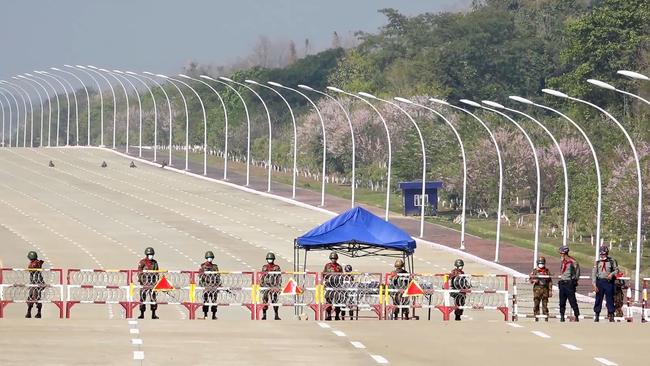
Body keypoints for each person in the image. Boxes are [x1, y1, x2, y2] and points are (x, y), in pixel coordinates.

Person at [591, 246, 618, 322]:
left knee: (610, 299)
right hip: (600, 282)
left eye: (604, 254)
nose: (603, 256)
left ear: (607, 253)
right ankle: (597, 315)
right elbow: (594, 274)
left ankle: (611, 314)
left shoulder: (612, 261)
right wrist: (594, 284)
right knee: (598, 299)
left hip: (608, 282)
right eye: (601, 254)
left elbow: (616, 270)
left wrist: (611, 274)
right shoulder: (597, 262)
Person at [558, 246, 580, 322]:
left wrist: (574, 281)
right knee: (562, 301)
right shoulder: (562, 261)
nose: (561, 254)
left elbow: (577, 272)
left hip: (569, 283)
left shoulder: (573, 261)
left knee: (572, 301)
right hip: (562, 283)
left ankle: (576, 315)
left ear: (565, 253)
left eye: (562, 253)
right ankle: (562, 316)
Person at [137, 247, 159, 319]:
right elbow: (139, 272)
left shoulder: (155, 263)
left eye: (152, 254)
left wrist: (157, 282)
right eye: (149, 254)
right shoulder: (142, 262)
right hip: (144, 283)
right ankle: (142, 314)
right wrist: (142, 281)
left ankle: (153, 314)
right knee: (142, 298)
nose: (151, 256)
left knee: (153, 298)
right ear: (146, 255)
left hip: (152, 283)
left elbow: (157, 273)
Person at [198, 251, 221, 320]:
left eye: (211, 257)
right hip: (207, 286)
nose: (210, 259)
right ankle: (205, 315)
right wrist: (203, 285)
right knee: (206, 301)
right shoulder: (203, 266)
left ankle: (214, 315)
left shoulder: (215, 266)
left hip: (214, 286)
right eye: (208, 257)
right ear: (206, 258)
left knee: (214, 302)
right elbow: (200, 276)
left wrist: (219, 285)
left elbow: (218, 276)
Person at [529, 257, 552, 322]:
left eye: (542, 263)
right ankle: (536, 317)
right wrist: (534, 280)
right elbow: (530, 280)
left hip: (545, 289)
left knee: (545, 304)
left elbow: (550, 281)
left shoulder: (547, 271)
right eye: (540, 263)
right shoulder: (535, 271)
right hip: (537, 289)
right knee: (536, 303)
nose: (541, 264)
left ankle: (546, 317)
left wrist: (550, 290)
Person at [260, 252, 281, 320]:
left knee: (274, 301)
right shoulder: (265, 267)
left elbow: (279, 277)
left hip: (274, 286)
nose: (270, 260)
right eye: (269, 259)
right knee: (265, 301)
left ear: (273, 259)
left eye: (271, 259)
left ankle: (276, 315)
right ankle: (264, 315)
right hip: (266, 286)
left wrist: (278, 286)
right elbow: (262, 277)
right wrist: (261, 285)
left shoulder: (276, 267)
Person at [323, 252, 343, 321]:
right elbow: (324, 274)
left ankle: (337, 315)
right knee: (328, 301)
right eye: (332, 258)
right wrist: (325, 282)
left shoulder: (339, 267)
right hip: (329, 285)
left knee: (338, 301)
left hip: (337, 285)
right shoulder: (327, 266)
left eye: (334, 258)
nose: (333, 260)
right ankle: (329, 315)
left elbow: (342, 276)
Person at [26, 251, 45, 319]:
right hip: (36, 282)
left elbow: (31, 270)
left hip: (36, 283)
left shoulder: (35, 263)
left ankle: (35, 313)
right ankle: (30, 312)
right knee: (33, 297)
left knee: (34, 298)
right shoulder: (37, 262)